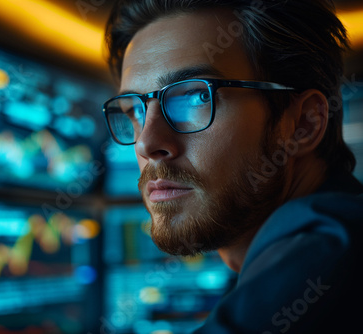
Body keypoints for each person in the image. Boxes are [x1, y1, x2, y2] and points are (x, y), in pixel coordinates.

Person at [102, 0, 363, 333]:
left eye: (196, 96)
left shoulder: (334, 253)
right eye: (134, 111)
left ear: (303, 124)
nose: (146, 144)